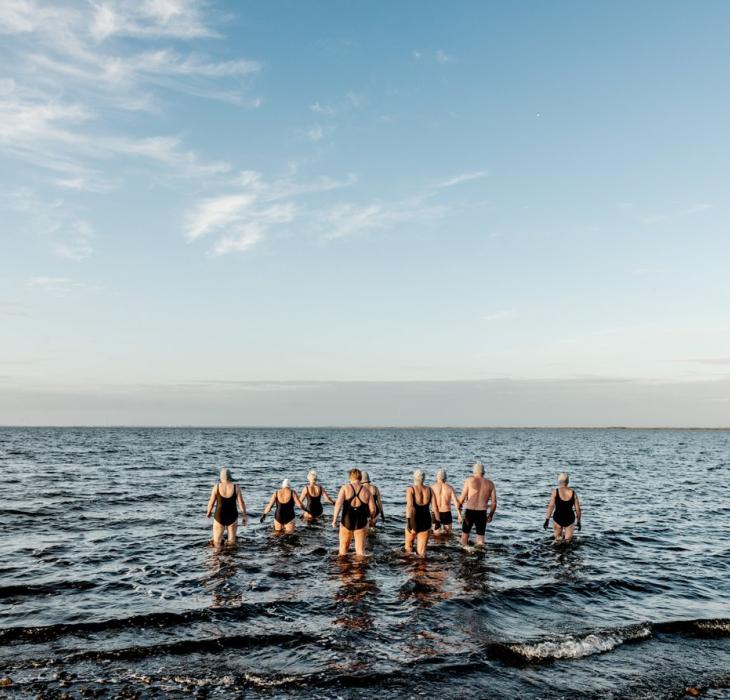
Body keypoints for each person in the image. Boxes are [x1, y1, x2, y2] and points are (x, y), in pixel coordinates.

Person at [332, 468, 377, 556]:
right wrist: (370, 519)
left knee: (343, 550)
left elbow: (338, 504)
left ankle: (344, 568)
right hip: (361, 522)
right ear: (360, 478)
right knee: (360, 552)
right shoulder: (367, 491)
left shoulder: (345, 488)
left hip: (346, 521)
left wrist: (334, 520)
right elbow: (373, 509)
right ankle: (358, 568)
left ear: (350, 477)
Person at [457, 460, 497, 547]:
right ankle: (480, 557)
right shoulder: (490, 484)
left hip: (470, 512)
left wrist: (459, 512)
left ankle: (463, 556)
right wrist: (490, 515)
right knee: (480, 539)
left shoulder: (469, 481)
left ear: (474, 472)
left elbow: (461, 499)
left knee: (464, 537)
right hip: (482, 513)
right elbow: (494, 502)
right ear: (484, 472)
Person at [205, 468, 247, 547]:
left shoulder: (216, 487)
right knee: (231, 541)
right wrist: (244, 515)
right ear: (230, 476)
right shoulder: (236, 487)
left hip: (219, 515)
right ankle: (230, 558)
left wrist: (208, 512)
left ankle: (216, 557)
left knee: (216, 541)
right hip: (232, 515)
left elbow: (211, 502)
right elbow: (241, 503)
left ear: (221, 477)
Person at [404, 470, 439, 557]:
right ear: (424, 479)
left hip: (414, 521)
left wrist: (409, 523)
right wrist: (437, 521)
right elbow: (435, 508)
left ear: (414, 478)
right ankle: (421, 569)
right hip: (426, 521)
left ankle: (407, 568)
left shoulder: (410, 489)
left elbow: (410, 506)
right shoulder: (430, 490)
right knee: (421, 553)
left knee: (408, 548)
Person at [544, 472, 582, 541]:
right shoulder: (573, 493)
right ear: (567, 481)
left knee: (557, 540)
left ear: (558, 481)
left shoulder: (555, 491)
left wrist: (547, 520)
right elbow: (578, 509)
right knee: (568, 541)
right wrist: (579, 521)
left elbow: (551, 506)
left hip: (558, 517)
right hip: (569, 518)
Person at [431, 468, 461, 534]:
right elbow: (456, 503)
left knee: (436, 534)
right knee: (448, 534)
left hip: (435, 513)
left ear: (437, 477)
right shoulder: (450, 488)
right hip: (446, 513)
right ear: (445, 478)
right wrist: (459, 515)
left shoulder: (432, 488)